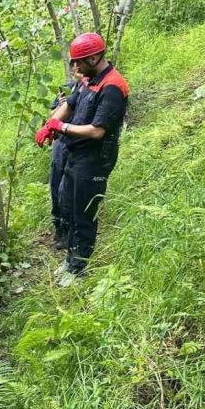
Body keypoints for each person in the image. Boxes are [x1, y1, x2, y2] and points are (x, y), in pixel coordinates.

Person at [35, 33, 129, 284]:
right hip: (75, 155)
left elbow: (97, 131)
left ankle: (78, 269)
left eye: (79, 62)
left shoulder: (112, 87)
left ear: (95, 57)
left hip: (95, 159)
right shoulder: (89, 80)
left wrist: (62, 128)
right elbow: (72, 104)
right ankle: (70, 260)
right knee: (68, 207)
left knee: (84, 214)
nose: (75, 68)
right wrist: (51, 122)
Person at [49, 67, 86, 251]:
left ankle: (71, 226)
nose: (77, 70)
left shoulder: (93, 87)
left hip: (79, 140)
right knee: (56, 182)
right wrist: (60, 106)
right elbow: (52, 114)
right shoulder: (66, 88)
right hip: (61, 141)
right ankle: (59, 227)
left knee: (70, 185)